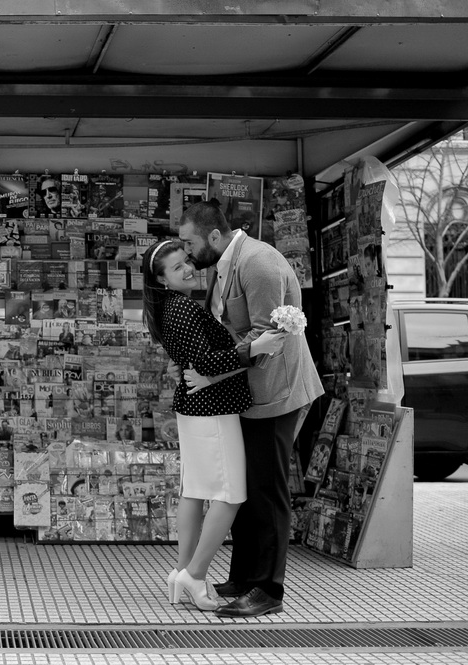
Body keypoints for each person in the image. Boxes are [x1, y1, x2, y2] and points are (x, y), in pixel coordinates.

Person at [178, 200, 324, 617]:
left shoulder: (258, 264)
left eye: (189, 243)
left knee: (268, 490)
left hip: (277, 393)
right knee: (244, 487)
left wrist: (213, 375)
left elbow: (267, 339)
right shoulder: (226, 263)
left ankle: (268, 590)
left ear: (214, 236)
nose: (187, 253)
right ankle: (243, 576)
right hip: (248, 395)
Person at [142, 239, 287, 611]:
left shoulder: (171, 308)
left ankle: (181, 572)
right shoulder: (183, 310)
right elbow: (205, 362)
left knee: (194, 490)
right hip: (212, 409)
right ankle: (195, 574)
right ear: (162, 280)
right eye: (177, 268)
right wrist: (257, 347)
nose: (189, 268)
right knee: (230, 495)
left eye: (187, 260)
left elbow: (195, 361)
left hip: (195, 408)